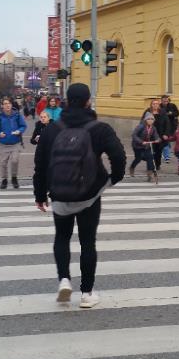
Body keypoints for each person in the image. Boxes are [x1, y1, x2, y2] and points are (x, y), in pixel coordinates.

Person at [33, 83, 126, 309]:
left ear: (66, 100)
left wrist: (40, 195)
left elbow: (40, 165)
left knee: (62, 237)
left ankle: (64, 279)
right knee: (87, 242)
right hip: (89, 195)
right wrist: (113, 179)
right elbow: (119, 156)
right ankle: (87, 293)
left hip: (60, 194)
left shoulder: (52, 129)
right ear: (87, 101)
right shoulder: (100, 128)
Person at [0, 97, 27, 189]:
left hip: (15, 143)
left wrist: (19, 131)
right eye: (5, 104)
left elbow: (23, 126)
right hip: (3, 144)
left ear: (11, 105)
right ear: (2, 106)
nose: (7, 105)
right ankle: (4, 180)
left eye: (9, 103)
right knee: (3, 163)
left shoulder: (17, 115)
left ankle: (14, 178)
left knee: (15, 160)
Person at [142, 99, 172, 172]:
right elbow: (142, 122)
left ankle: (157, 165)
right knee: (150, 151)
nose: (155, 105)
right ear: (151, 105)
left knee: (158, 151)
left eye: (157, 104)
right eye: (154, 104)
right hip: (150, 134)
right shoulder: (148, 112)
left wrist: (166, 134)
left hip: (160, 135)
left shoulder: (162, 112)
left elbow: (167, 123)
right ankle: (150, 165)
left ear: (159, 105)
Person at [129, 112, 161, 182]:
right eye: (148, 119)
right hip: (137, 145)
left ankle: (149, 175)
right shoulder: (141, 126)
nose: (150, 120)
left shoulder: (153, 128)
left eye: (152, 119)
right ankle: (132, 167)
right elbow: (134, 135)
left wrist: (158, 139)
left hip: (147, 145)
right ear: (145, 120)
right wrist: (141, 141)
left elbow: (156, 136)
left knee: (150, 158)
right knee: (138, 158)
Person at [160, 95, 179, 163]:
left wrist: (171, 114)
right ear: (161, 100)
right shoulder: (159, 106)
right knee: (165, 140)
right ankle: (166, 155)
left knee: (167, 140)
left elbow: (178, 113)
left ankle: (166, 155)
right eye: (164, 101)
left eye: (166, 101)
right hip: (162, 126)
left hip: (172, 126)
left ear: (168, 100)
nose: (165, 102)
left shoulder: (172, 105)